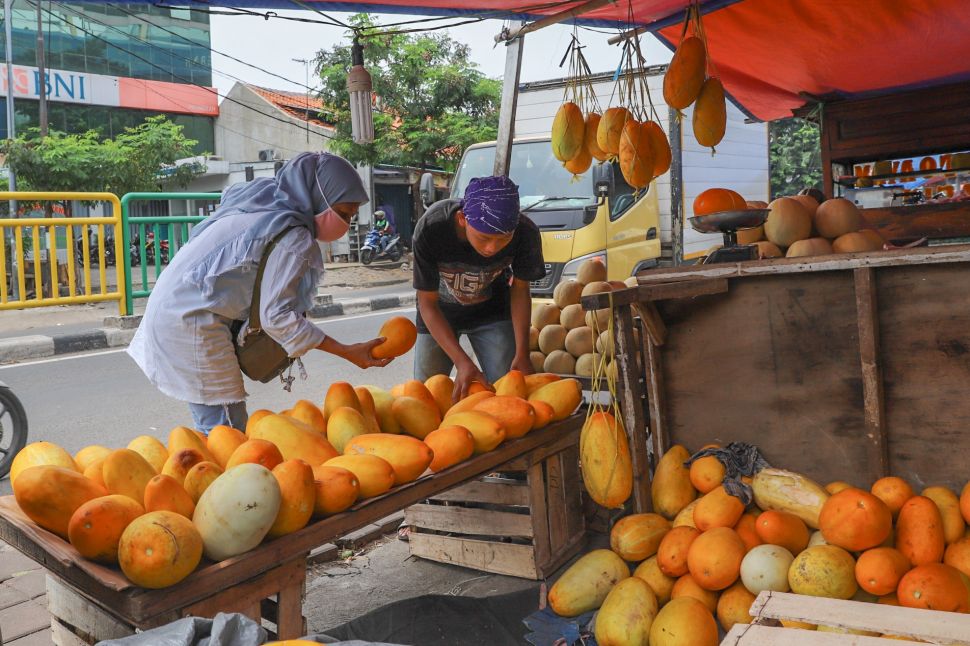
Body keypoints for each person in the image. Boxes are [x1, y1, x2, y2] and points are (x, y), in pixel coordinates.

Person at [128, 152, 391, 434]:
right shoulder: (293, 235)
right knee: (225, 430)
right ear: (318, 197)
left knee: (220, 431)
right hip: (190, 320)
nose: (346, 224)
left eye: (351, 217)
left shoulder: (263, 208)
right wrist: (346, 351)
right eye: (342, 213)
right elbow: (276, 317)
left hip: (178, 308)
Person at [411, 175, 545, 401]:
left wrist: (522, 352)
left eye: (504, 239)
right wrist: (462, 362)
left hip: (492, 312)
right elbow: (426, 302)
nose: (492, 247)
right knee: (424, 396)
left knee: (507, 394)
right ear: (463, 219)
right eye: (483, 238)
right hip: (439, 314)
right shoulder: (432, 228)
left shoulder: (526, 233)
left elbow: (520, 290)